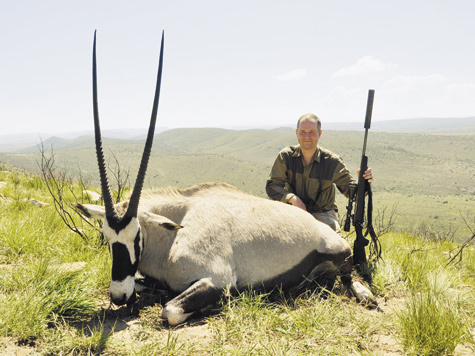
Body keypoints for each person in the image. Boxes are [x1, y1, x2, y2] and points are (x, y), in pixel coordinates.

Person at [266, 113, 374, 233]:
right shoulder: (285, 156)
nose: (307, 136)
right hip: (293, 211)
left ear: (319, 134)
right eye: (303, 132)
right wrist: (292, 198)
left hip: (323, 215)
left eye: (311, 132)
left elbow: (351, 193)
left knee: (333, 247)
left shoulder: (332, 162)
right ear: (297, 132)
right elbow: (272, 186)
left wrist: (363, 182)